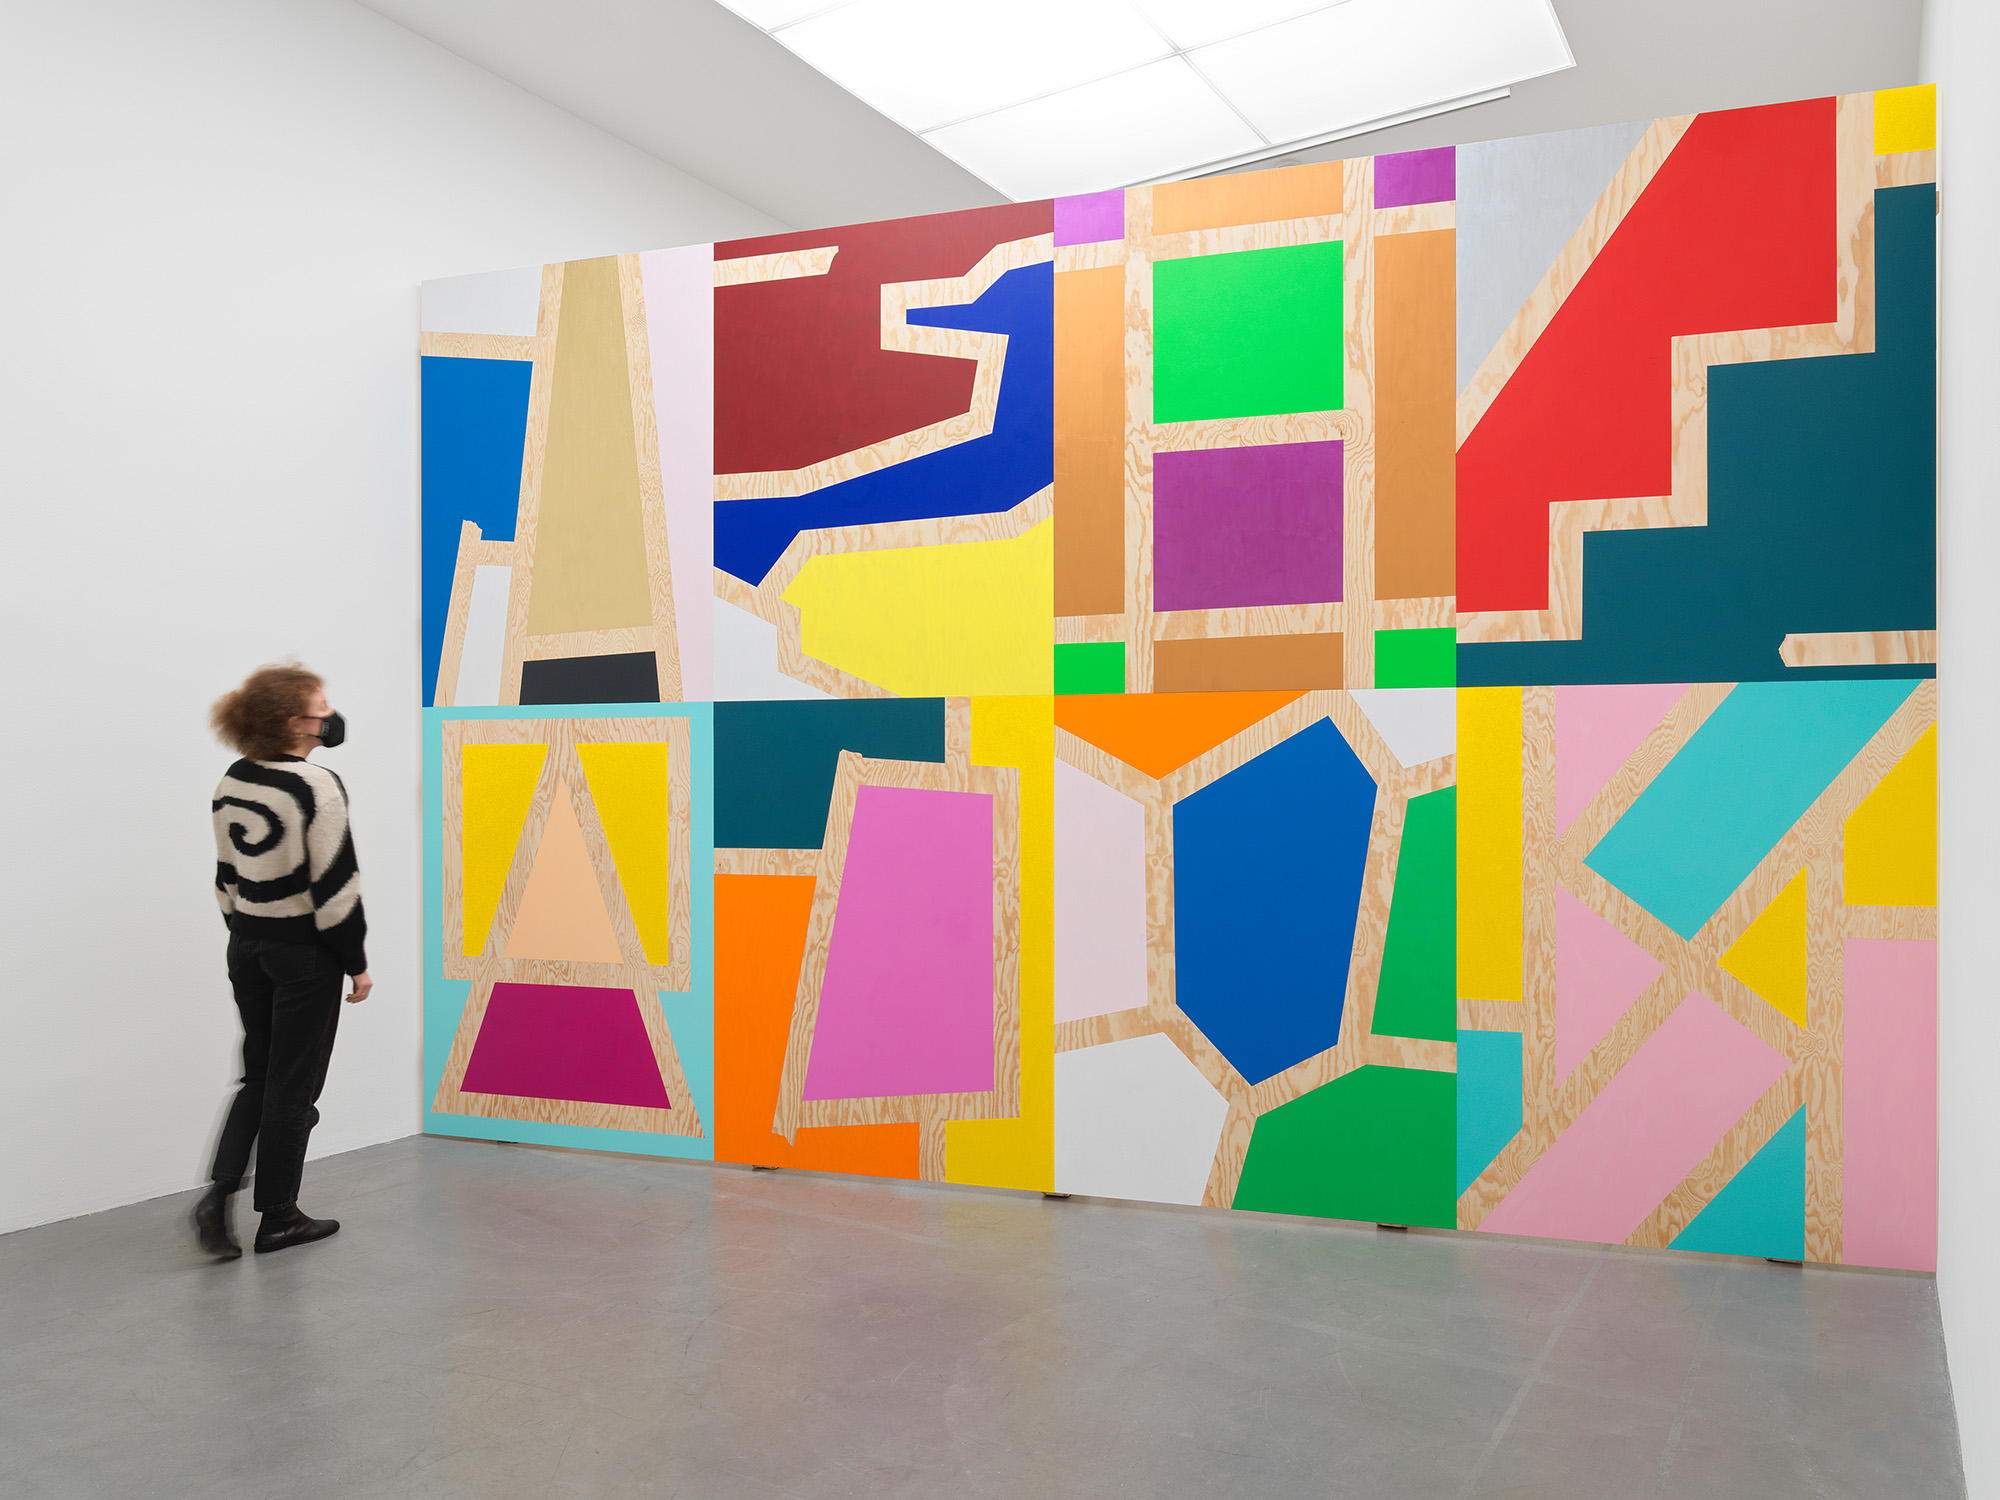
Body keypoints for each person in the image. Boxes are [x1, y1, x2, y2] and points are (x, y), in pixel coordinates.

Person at [193, 664, 372, 1258]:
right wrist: (355, 962)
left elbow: (227, 875)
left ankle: (218, 1196)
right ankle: (279, 1217)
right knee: (294, 1087)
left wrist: (246, 933)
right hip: (304, 954)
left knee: (260, 1075)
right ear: (297, 723)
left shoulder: (233, 778)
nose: (331, 716)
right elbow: (336, 886)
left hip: (246, 945)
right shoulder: (317, 785)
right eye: (322, 708)